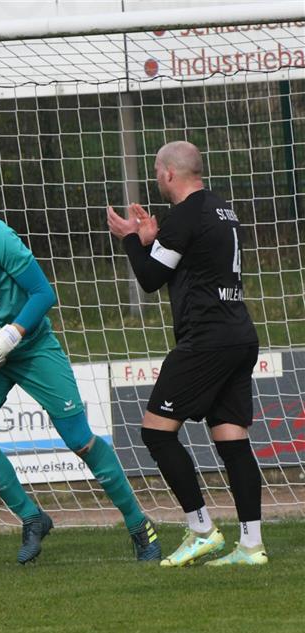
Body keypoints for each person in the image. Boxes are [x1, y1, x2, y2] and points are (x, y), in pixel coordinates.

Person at [0, 161, 161, 564]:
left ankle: (138, 525)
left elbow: (43, 294)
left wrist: (11, 335)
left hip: (31, 345)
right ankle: (32, 517)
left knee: (80, 440)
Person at [107, 141, 266, 566]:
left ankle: (202, 530)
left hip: (206, 339)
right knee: (232, 440)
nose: (157, 178)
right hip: (239, 334)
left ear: (169, 174)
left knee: (156, 433)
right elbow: (191, 260)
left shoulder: (183, 215)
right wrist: (152, 239)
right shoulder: (221, 209)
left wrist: (130, 240)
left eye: (157, 172)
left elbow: (150, 278)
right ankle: (251, 546)